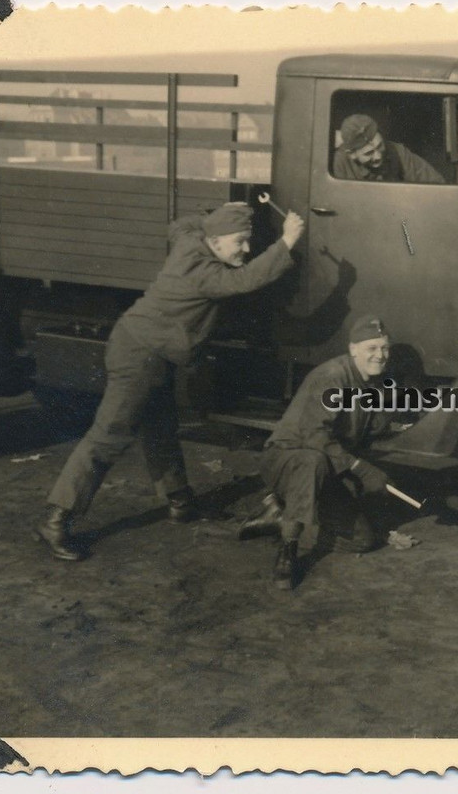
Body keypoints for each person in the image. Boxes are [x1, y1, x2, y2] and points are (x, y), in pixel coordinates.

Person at [38, 204, 305, 561]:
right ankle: (57, 519)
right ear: (215, 242)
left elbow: (181, 225)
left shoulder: (191, 241)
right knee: (109, 436)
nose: (246, 249)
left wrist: (220, 213)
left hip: (153, 351)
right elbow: (244, 280)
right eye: (240, 242)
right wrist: (286, 242)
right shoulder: (203, 271)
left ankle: (179, 502)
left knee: (161, 427)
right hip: (139, 354)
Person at [241, 315, 396, 591]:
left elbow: (367, 429)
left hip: (326, 463)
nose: (380, 355)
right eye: (372, 348)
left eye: (384, 348)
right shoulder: (333, 376)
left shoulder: (372, 383)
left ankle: (280, 515)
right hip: (288, 457)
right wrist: (359, 468)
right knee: (312, 461)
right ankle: (288, 549)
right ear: (353, 349)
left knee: (363, 540)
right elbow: (314, 436)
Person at [331, 114, 444, 184]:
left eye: (380, 146)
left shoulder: (397, 151)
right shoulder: (339, 164)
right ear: (352, 154)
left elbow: (435, 182)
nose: (378, 156)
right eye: (369, 153)